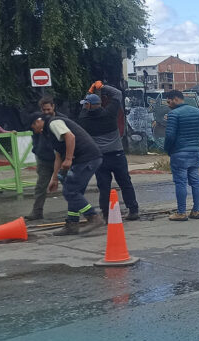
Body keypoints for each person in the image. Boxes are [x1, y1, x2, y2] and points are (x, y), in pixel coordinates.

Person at [30, 112, 104, 236]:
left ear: (38, 121)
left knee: (70, 191)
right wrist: (54, 178)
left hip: (87, 158)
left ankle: (93, 217)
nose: (33, 129)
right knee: (74, 192)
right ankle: (72, 224)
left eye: (32, 126)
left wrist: (69, 159)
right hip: (85, 159)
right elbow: (58, 155)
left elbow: (70, 137)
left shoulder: (54, 123)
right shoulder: (48, 133)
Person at [78, 89, 139, 221]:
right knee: (125, 183)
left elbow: (84, 107)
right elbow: (117, 94)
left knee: (104, 186)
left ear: (88, 105)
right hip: (117, 155)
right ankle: (133, 210)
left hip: (100, 159)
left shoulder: (84, 119)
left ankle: (106, 214)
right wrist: (102, 87)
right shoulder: (110, 114)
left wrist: (90, 90)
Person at [163, 90, 199, 221]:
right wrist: (195, 144)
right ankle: (196, 211)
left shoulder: (174, 114)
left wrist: (167, 149)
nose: (168, 104)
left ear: (176, 99)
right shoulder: (198, 112)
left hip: (179, 153)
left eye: (169, 101)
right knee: (195, 181)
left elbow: (170, 136)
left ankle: (181, 212)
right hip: (194, 152)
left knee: (180, 182)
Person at [25, 96, 65, 221]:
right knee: (40, 186)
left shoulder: (62, 120)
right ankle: (37, 212)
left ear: (53, 107)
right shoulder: (37, 122)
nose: (46, 112)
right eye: (44, 110)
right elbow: (34, 137)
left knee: (69, 184)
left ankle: (79, 209)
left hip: (60, 158)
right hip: (44, 159)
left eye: (48, 109)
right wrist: (37, 150)